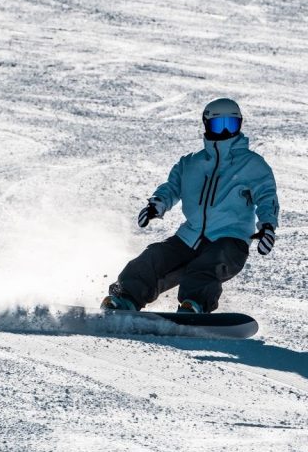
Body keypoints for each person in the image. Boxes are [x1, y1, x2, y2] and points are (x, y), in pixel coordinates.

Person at [102, 98, 279, 314]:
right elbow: (172, 187)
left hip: (231, 239)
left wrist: (268, 226)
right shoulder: (190, 163)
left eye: (230, 125)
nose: (224, 131)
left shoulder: (252, 164)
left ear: (239, 125)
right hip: (190, 236)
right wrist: (156, 204)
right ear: (206, 125)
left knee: (206, 267)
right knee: (153, 257)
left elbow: (266, 196)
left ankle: (194, 306)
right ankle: (123, 299)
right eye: (218, 125)